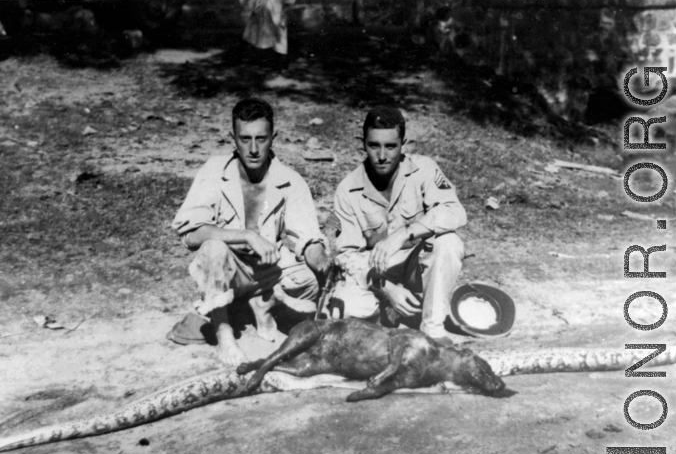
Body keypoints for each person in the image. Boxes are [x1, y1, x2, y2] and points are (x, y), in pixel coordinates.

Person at [170, 97, 329, 365]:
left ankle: (258, 305)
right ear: (233, 137)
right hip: (231, 272)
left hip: (268, 271)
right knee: (213, 248)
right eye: (245, 139)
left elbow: (308, 238)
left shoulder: (290, 180)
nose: (253, 149)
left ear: (273, 137)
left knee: (309, 281)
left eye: (261, 139)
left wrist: (322, 262)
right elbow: (191, 235)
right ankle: (225, 334)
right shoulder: (214, 170)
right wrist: (245, 235)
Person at [329, 105, 466, 342]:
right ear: (363, 143)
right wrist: (387, 289)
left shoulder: (423, 168)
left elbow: (455, 212)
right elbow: (347, 255)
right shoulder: (348, 189)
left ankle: (432, 330)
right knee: (346, 310)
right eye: (374, 145)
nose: (382, 156)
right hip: (377, 271)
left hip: (415, 264)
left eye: (391, 146)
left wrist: (404, 233)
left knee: (449, 242)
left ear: (404, 143)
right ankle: (387, 317)